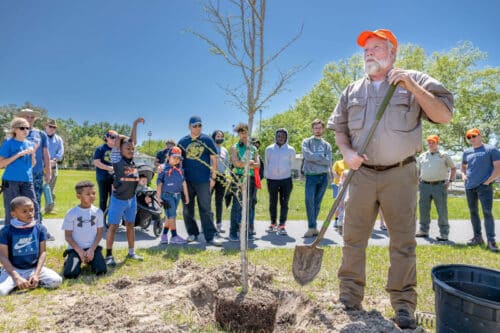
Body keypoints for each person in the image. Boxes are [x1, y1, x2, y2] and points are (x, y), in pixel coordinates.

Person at [327, 29, 453, 329]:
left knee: (402, 243)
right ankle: (349, 297)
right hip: (361, 175)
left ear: (393, 53)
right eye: (366, 49)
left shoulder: (415, 80)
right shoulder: (352, 90)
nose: (369, 53)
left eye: (376, 48)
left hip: (401, 173)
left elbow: (444, 115)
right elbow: (340, 130)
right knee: (353, 239)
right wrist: (346, 153)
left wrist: (410, 85)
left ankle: (403, 305)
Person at [0, 196, 62, 296]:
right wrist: (16, 277)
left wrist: (36, 274)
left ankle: (32, 281)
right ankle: (18, 282)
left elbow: (43, 252)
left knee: (56, 281)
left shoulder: (40, 228)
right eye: (24, 211)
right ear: (13, 214)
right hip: (13, 270)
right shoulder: (6, 231)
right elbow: (2, 256)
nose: (30, 213)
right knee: (1, 292)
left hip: (33, 269)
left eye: (31, 210)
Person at [104, 118, 145, 266]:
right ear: (120, 150)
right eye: (127, 148)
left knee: (130, 225)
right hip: (118, 200)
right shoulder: (117, 159)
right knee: (113, 227)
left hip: (131, 200)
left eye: (132, 149)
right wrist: (122, 137)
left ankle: (131, 252)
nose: (131, 150)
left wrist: (134, 125)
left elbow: (132, 141)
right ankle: (108, 255)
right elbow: (121, 142)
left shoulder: (132, 162)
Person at [177, 116, 222, 246]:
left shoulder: (207, 140)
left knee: (206, 208)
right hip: (187, 182)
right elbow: (177, 160)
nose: (197, 128)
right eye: (194, 125)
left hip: (203, 181)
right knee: (187, 208)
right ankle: (192, 233)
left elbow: (214, 159)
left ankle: (210, 236)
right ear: (189, 126)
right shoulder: (182, 142)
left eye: (199, 125)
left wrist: (213, 177)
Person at [461, 128, 500, 252]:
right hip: (469, 187)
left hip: (485, 187)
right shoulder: (466, 152)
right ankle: (477, 238)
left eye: (474, 136)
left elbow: (498, 168)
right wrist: (464, 176)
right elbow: (463, 167)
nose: (472, 139)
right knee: (473, 213)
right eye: (469, 137)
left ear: (480, 135)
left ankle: (491, 241)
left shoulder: (491, 149)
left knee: (487, 213)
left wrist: (488, 181)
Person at [62, 181, 107, 278]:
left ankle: (91, 260)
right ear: (78, 196)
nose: (92, 196)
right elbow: (68, 236)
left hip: (92, 248)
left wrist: (91, 250)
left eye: (93, 193)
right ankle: (70, 259)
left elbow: (99, 234)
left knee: (101, 270)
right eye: (88, 194)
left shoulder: (98, 212)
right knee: (70, 274)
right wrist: (80, 251)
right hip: (76, 249)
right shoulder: (71, 213)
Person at [416, 135, 456, 241]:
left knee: (442, 210)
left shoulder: (444, 155)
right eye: (429, 142)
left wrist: (450, 181)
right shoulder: (422, 156)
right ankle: (423, 230)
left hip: (439, 186)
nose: (431, 144)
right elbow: (418, 170)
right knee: (423, 209)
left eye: (433, 142)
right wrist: (418, 180)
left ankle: (444, 233)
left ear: (437, 143)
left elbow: (453, 168)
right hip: (424, 186)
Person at [17, 109, 52, 227]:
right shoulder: (17, 132)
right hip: (20, 173)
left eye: (32, 117)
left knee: (36, 200)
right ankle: (21, 226)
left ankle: (38, 227)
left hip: (36, 173)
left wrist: (48, 172)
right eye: (27, 116)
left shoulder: (41, 134)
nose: (30, 119)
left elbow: (46, 154)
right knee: (19, 201)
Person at [0, 117, 37, 226]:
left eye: (27, 128)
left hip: (27, 181)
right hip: (11, 181)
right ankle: (8, 237)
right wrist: (18, 155)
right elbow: (1, 164)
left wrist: (33, 154)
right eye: (22, 128)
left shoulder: (30, 144)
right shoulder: (8, 143)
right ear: (15, 129)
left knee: (33, 206)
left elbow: (32, 164)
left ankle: (31, 233)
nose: (26, 130)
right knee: (12, 209)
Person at [228, 123, 260, 242]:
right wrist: (250, 162)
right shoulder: (235, 147)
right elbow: (236, 163)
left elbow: (258, 165)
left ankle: (247, 232)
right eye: (241, 132)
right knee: (237, 205)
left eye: (246, 132)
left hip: (250, 179)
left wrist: (247, 163)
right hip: (239, 178)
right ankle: (233, 232)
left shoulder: (253, 148)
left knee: (248, 205)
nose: (244, 134)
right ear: (239, 134)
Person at [302, 119, 332, 238]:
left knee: (317, 202)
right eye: (315, 128)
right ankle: (312, 227)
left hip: (324, 176)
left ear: (323, 129)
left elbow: (328, 161)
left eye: (319, 128)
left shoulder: (327, 145)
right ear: (312, 129)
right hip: (311, 176)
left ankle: (313, 228)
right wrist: (321, 157)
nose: (317, 130)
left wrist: (315, 158)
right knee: (309, 200)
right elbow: (307, 156)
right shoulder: (307, 142)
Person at [264, 128, 296, 236]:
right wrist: (269, 175)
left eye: (283, 136)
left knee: (284, 203)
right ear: (275, 137)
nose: (280, 138)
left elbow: (292, 164)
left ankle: (282, 225)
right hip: (272, 180)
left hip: (286, 179)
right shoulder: (269, 149)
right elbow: (267, 163)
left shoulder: (291, 149)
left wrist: (284, 171)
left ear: (286, 137)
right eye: (278, 136)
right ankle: (273, 224)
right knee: (272, 202)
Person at [157, 146, 189, 245]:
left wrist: (186, 196)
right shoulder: (163, 168)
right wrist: (158, 197)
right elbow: (159, 184)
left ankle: (164, 236)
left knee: (169, 216)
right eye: (174, 157)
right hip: (167, 195)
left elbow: (184, 183)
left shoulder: (180, 170)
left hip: (177, 195)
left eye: (178, 158)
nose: (176, 159)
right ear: (168, 157)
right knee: (172, 216)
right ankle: (174, 236)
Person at [93, 130, 117, 217]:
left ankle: (111, 220)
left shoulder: (118, 149)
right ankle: (101, 219)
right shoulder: (100, 149)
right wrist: (109, 168)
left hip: (115, 178)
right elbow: (96, 162)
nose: (114, 139)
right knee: (103, 199)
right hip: (102, 177)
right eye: (112, 137)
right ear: (106, 138)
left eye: (116, 137)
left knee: (114, 199)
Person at [43, 119, 64, 214]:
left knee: (51, 189)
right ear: (45, 126)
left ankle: (49, 209)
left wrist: (54, 160)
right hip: (40, 167)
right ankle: (34, 209)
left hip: (53, 167)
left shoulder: (59, 139)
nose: (52, 128)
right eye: (50, 126)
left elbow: (60, 152)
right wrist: (45, 161)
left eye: (54, 127)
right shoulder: (39, 137)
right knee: (36, 189)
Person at [211, 130, 229, 234]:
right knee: (206, 202)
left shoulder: (225, 151)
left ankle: (218, 225)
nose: (220, 138)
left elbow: (227, 165)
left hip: (222, 177)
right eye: (218, 136)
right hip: (211, 177)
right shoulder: (209, 148)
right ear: (214, 137)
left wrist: (227, 176)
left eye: (221, 136)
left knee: (219, 202)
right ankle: (206, 225)